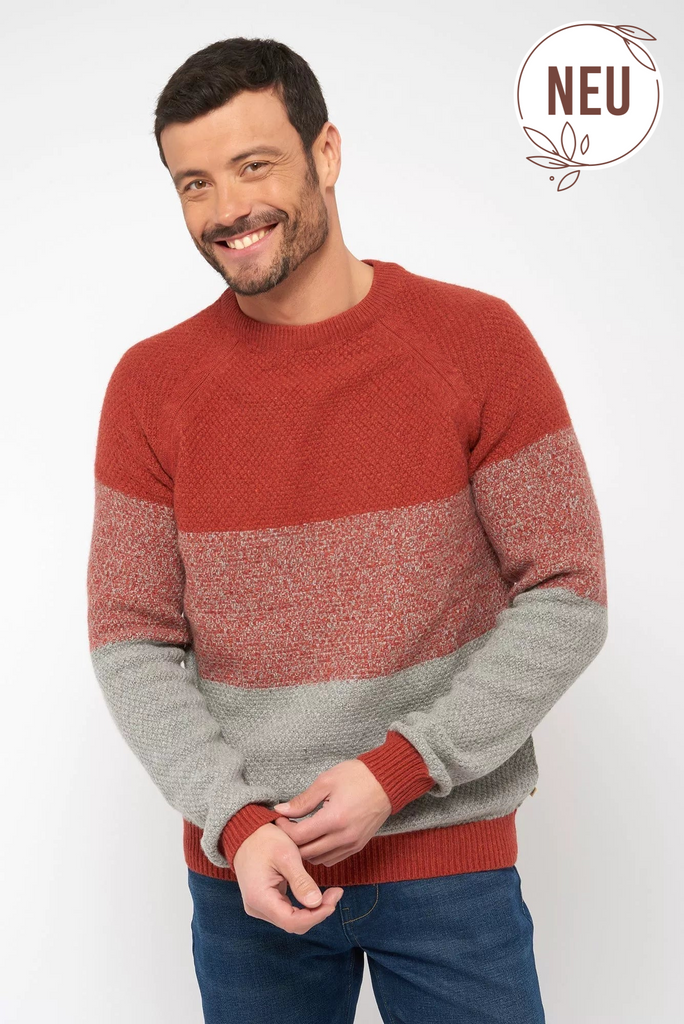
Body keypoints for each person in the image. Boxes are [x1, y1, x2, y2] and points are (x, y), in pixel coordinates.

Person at [86, 35, 608, 1024]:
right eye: (194, 182)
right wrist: (236, 821)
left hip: (446, 864)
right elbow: (131, 639)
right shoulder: (151, 387)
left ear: (325, 153)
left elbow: (568, 591)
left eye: (253, 165)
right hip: (248, 874)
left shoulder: (476, 341)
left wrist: (398, 770)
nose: (226, 208)